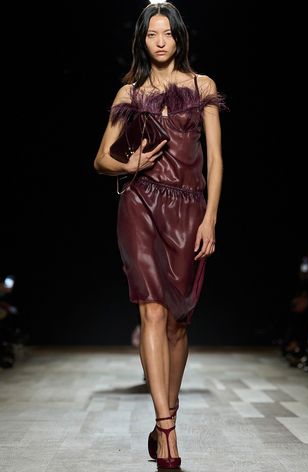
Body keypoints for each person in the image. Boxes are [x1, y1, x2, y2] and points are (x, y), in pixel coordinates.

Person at [94, 2, 227, 469]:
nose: (160, 41)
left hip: (190, 209)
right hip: (141, 204)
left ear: (179, 37)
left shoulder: (200, 86)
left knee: (178, 321)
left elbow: (215, 160)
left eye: (167, 33)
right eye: (152, 34)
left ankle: (165, 415)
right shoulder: (129, 92)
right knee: (150, 311)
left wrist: (210, 218)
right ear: (143, 40)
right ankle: (167, 431)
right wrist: (128, 164)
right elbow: (101, 158)